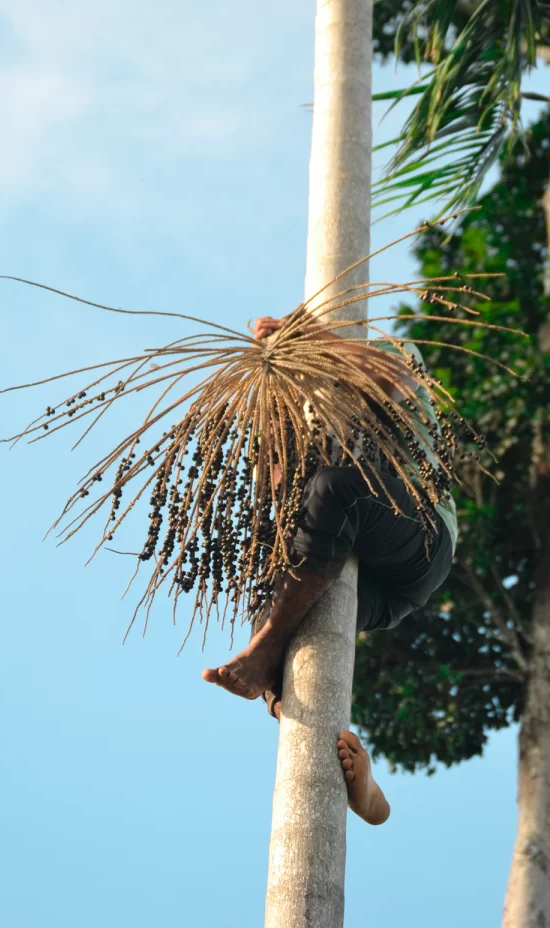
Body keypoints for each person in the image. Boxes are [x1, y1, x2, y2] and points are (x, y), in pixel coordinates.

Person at [202, 313, 458, 825]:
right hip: (359, 578)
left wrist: (309, 338)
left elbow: (389, 381)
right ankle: (365, 793)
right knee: (272, 574)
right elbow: (282, 504)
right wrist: (284, 434)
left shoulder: (392, 352)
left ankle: (265, 648)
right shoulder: (289, 418)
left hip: (419, 539)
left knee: (335, 488)